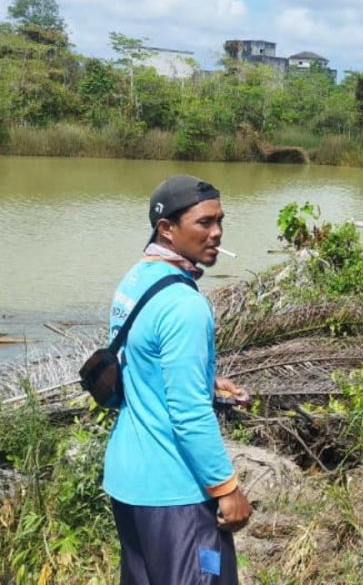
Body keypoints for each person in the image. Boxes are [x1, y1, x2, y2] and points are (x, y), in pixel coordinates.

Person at [104, 175, 252, 584]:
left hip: (128, 481)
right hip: (175, 490)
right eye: (204, 222)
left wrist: (206, 381)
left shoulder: (136, 280)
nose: (217, 232)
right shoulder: (185, 305)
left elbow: (134, 363)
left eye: (220, 221)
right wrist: (226, 488)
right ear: (167, 228)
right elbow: (188, 414)